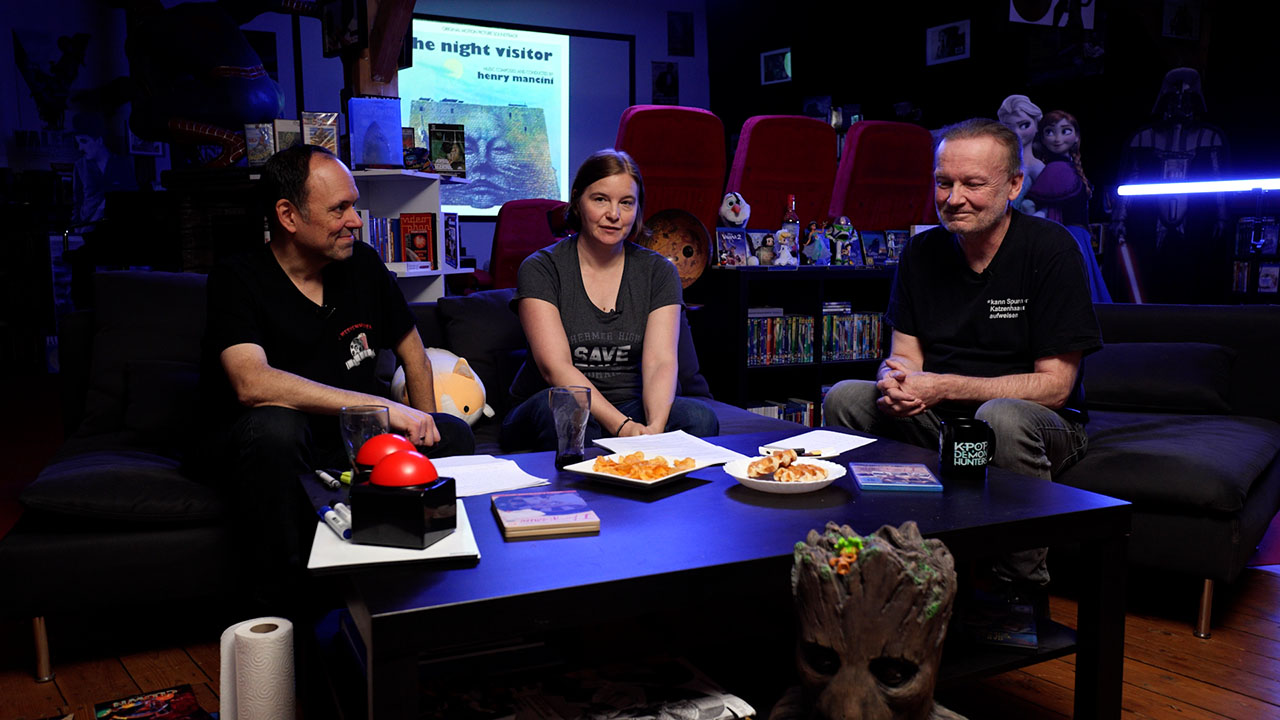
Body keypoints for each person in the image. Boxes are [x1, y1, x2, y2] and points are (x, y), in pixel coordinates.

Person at [822, 118, 1101, 588]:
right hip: (941, 421)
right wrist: (895, 380)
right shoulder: (920, 252)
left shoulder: (1051, 249)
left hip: (1037, 425)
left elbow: (1055, 387)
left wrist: (944, 386)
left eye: (972, 184)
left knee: (1001, 416)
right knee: (847, 396)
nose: (953, 198)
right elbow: (904, 358)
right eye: (943, 182)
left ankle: (1019, 588)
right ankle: (885, 557)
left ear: (1013, 186)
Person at [201, 144, 475, 604]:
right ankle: (292, 603)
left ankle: (431, 585)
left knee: (452, 433)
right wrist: (383, 406)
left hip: (352, 439)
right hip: (275, 443)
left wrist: (423, 432)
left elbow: (415, 355)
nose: (356, 221)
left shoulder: (362, 264)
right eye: (339, 209)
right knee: (277, 427)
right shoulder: (236, 279)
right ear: (288, 215)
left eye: (354, 206)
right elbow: (252, 382)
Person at [499, 149, 718, 452]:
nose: (614, 214)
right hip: (551, 404)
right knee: (571, 415)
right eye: (600, 199)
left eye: (626, 203)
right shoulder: (541, 268)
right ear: (577, 200)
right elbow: (555, 367)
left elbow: (660, 361)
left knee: (699, 418)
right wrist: (622, 428)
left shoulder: (659, 271)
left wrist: (654, 431)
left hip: (630, 404)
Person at [1026, 110, 1113, 302]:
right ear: (1042, 138)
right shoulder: (1057, 169)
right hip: (1067, 236)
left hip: (1073, 237)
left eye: (1065, 131)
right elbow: (1035, 203)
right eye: (1050, 132)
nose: (1057, 139)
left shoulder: (1063, 167)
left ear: (1076, 137)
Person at [995, 94, 1043, 214]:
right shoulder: (998, 163)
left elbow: (1046, 207)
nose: (1016, 132)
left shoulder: (1036, 167)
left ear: (1037, 125)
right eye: (1009, 127)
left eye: (1024, 125)